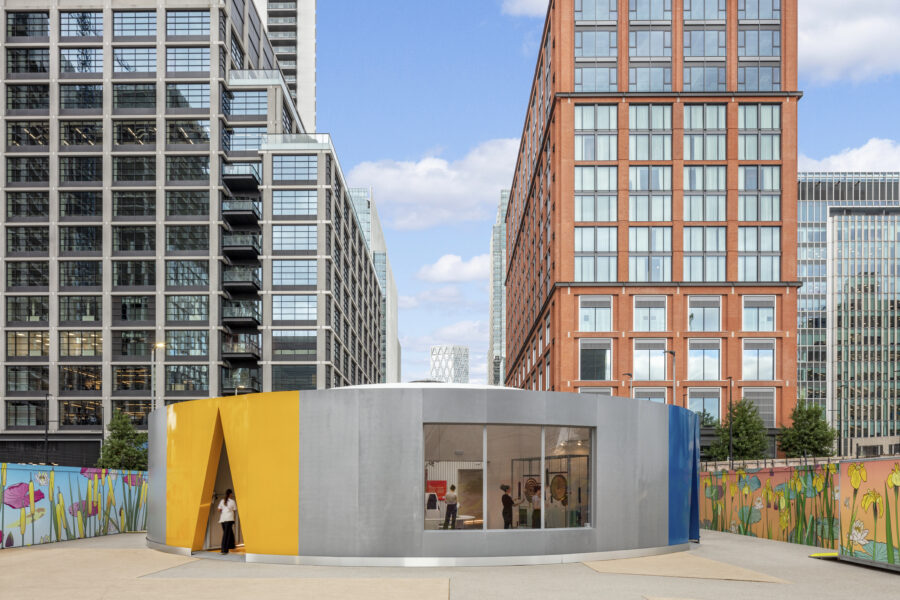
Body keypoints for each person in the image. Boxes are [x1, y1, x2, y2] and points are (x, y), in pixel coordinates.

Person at [217, 489, 237, 554]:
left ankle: (232, 546)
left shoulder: (222, 501)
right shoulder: (232, 501)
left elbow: (219, 509)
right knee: (226, 535)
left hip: (223, 519)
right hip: (229, 519)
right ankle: (224, 550)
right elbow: (234, 510)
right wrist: (234, 519)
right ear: (230, 494)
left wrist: (223, 510)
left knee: (229, 533)